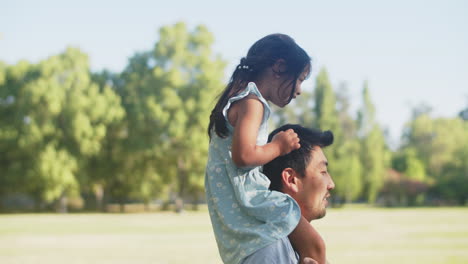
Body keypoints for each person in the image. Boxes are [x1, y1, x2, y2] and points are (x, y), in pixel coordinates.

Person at [205, 33, 324, 264]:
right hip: (250, 198)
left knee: (310, 246)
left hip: (237, 206)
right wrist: (278, 146)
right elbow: (244, 156)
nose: (299, 90)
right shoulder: (252, 102)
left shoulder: (240, 99)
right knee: (315, 245)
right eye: (299, 79)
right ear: (279, 67)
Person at [242, 124, 335, 264]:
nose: (331, 184)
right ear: (291, 179)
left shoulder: (298, 246)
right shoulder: (270, 252)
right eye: (322, 172)